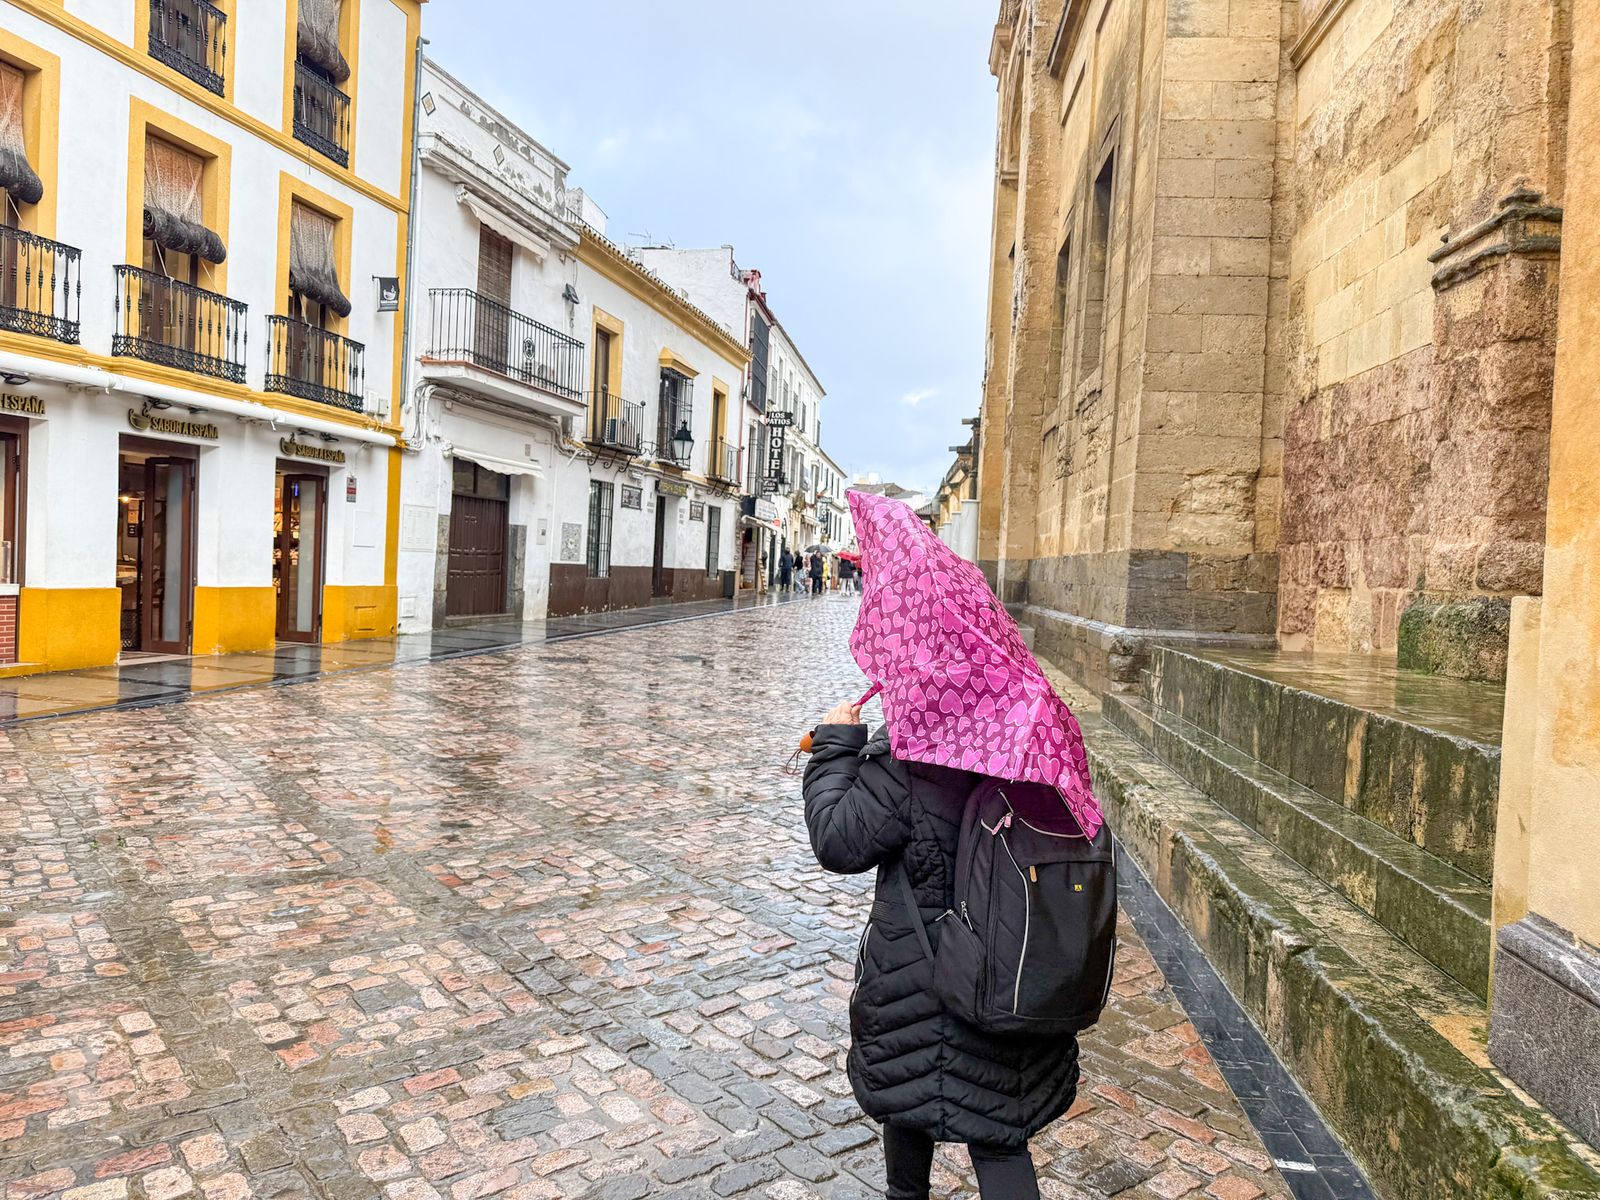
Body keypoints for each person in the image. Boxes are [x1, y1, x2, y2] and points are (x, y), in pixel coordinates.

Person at [802, 699, 1079, 1200]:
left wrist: (835, 746)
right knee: (1000, 1132)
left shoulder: (912, 751)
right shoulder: (1037, 741)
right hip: (1012, 966)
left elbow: (838, 841)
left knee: (909, 1092)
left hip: (918, 973)